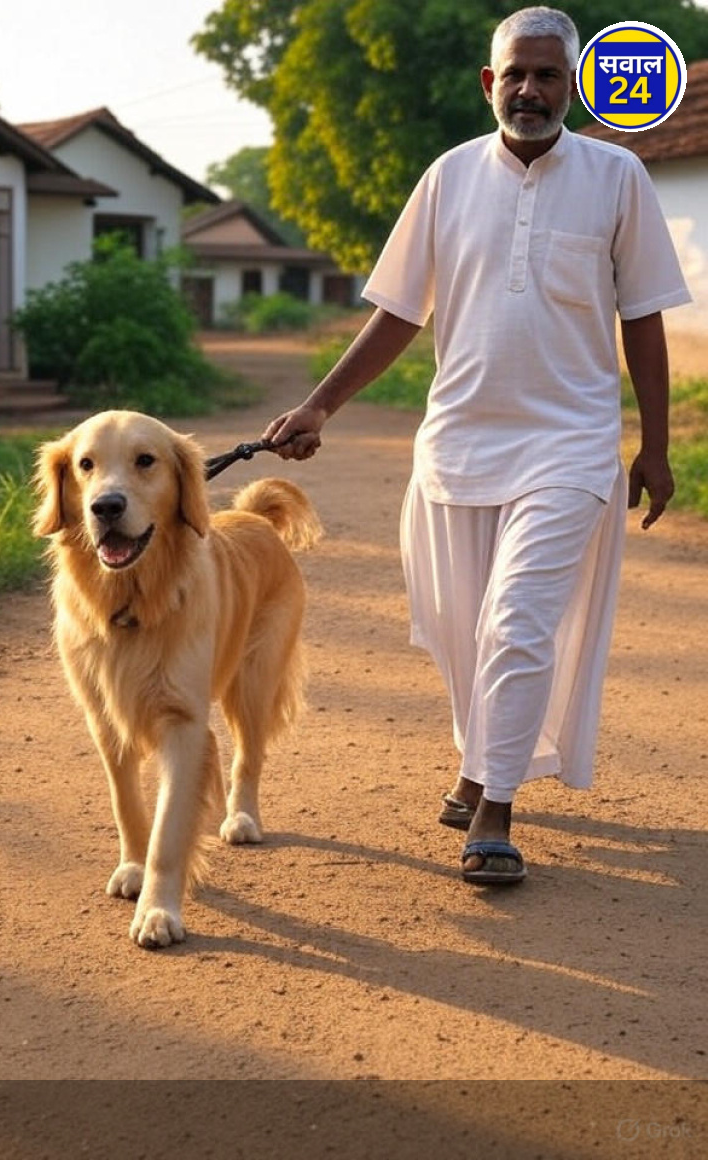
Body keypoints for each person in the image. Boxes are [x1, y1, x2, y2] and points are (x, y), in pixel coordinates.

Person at [263, 6, 691, 884]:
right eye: (516, 75)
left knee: (517, 621)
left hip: (570, 445)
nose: (531, 90)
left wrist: (654, 442)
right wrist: (318, 407)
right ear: (489, 83)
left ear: (576, 84)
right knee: (463, 630)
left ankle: (495, 810)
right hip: (457, 444)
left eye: (549, 75)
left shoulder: (617, 177)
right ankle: (479, 762)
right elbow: (396, 313)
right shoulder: (448, 178)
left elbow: (642, 315)